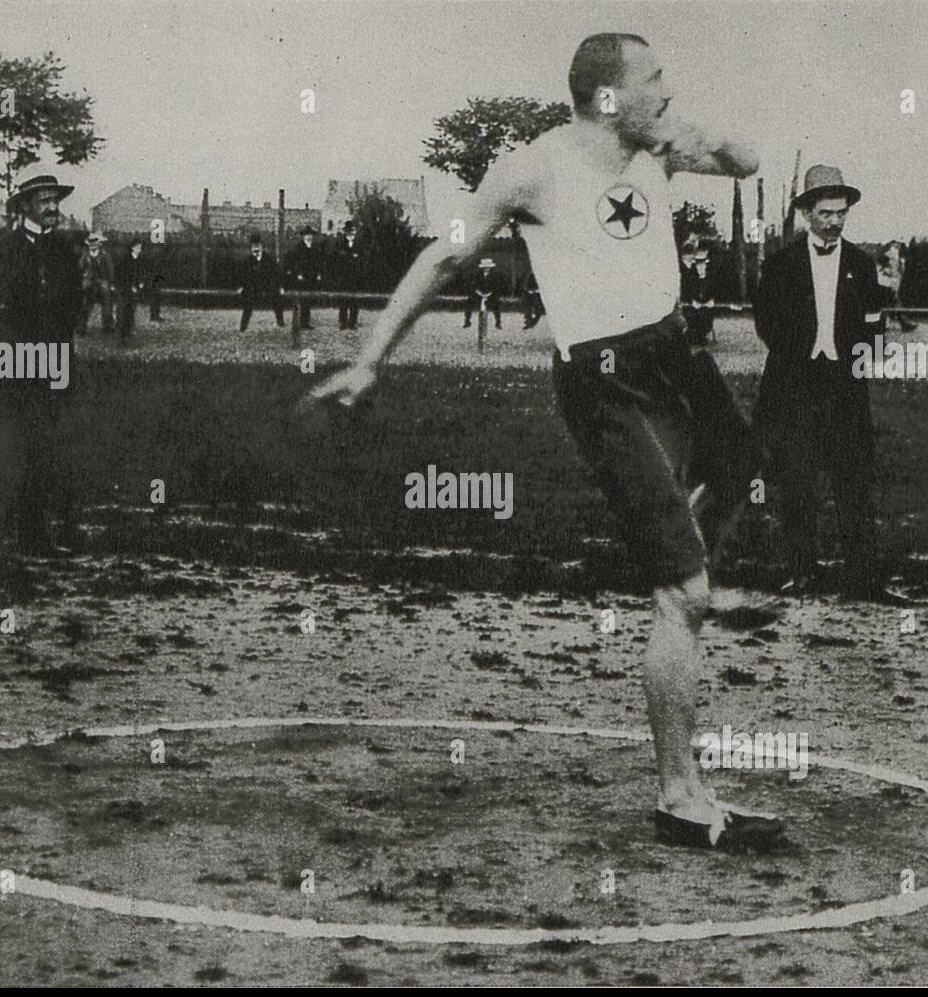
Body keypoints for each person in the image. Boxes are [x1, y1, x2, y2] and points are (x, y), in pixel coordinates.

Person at [310, 32, 779, 852]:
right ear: (608, 97)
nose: (668, 88)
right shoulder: (534, 167)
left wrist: (692, 133)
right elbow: (443, 254)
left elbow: (749, 158)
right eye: (654, 78)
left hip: (673, 352)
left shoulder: (658, 146)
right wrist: (368, 359)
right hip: (604, 380)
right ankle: (680, 795)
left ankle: (683, 559)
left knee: (741, 460)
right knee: (685, 599)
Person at [753, 165, 902, 603]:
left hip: (844, 388)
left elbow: (873, 324)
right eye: (825, 213)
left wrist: (862, 351)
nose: (835, 221)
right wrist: (800, 355)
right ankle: (802, 575)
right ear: (806, 214)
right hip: (795, 387)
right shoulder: (781, 264)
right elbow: (765, 323)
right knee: (798, 484)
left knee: (853, 484)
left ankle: (864, 580)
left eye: (841, 213)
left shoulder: (860, 262)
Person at [0, 173, 83, 554]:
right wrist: (1, 356)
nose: (52, 208)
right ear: (25, 207)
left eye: (55, 200)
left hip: (49, 369)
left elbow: (73, 309)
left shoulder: (65, 252)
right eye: (44, 201)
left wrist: (61, 354)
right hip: (11, 369)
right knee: (6, 451)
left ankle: (35, 537)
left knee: (41, 452)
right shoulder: (2, 251)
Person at [237, 233, 285, 330]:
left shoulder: (268, 259)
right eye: (254, 247)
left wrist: (280, 286)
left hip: (267, 286)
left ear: (262, 247)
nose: (256, 249)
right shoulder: (248, 260)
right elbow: (243, 275)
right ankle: (243, 326)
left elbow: (276, 274)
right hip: (253, 287)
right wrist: (240, 286)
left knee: (277, 299)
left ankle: (280, 321)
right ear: (251, 248)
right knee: (248, 303)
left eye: (258, 246)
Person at [77, 231, 115, 335]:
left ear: (99, 244)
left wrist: (111, 284)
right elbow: (80, 268)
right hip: (89, 280)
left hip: (101, 279)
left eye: (94, 244)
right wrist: (83, 276)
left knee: (106, 298)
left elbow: (110, 271)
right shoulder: (85, 255)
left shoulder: (104, 255)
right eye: (90, 244)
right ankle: (81, 326)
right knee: (84, 302)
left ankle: (108, 325)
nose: (92, 246)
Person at [286, 226, 323, 328]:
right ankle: (301, 322)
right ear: (303, 237)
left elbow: (318, 263)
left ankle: (306, 322)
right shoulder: (298, 248)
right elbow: (294, 263)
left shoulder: (315, 248)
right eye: (307, 235)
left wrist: (319, 274)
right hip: (301, 277)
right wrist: (298, 274)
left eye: (310, 235)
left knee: (308, 299)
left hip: (312, 277)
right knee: (302, 300)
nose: (309, 237)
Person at [679, 240, 715, 345]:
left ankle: (702, 334)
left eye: (703, 262)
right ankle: (695, 335)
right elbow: (686, 289)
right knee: (693, 315)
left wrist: (710, 300)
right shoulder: (689, 274)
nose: (701, 265)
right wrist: (692, 301)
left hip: (703, 303)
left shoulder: (708, 275)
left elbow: (711, 289)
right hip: (689, 305)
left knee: (706, 313)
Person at [877, 241, 917, 332]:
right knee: (893, 303)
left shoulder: (897, 254)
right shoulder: (892, 252)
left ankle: (900, 324)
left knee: (890, 303)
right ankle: (904, 324)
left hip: (889, 282)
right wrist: (885, 269)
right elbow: (882, 262)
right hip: (886, 282)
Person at [114, 238, 149, 343]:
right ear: (132, 248)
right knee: (123, 311)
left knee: (131, 309)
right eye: (137, 247)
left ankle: (129, 329)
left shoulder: (141, 260)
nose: (139, 249)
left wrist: (141, 282)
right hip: (124, 289)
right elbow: (122, 275)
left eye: (140, 248)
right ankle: (122, 333)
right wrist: (129, 286)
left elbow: (143, 273)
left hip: (135, 289)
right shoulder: (125, 260)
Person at [335, 223, 364, 329]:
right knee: (343, 300)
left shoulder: (359, 244)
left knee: (354, 301)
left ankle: (352, 322)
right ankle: (343, 322)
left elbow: (362, 259)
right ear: (345, 232)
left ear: (355, 232)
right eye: (348, 231)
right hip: (343, 276)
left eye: (352, 231)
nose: (351, 233)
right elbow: (337, 258)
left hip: (355, 277)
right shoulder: (340, 243)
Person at [463, 257, 504, 329]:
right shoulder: (477, 275)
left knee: (497, 304)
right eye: (485, 267)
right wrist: (479, 293)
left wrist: (489, 294)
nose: (486, 268)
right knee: (469, 302)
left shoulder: (496, 275)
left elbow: (497, 286)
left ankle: (498, 322)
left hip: (491, 294)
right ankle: (467, 321)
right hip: (479, 294)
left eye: (488, 267)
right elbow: (474, 285)